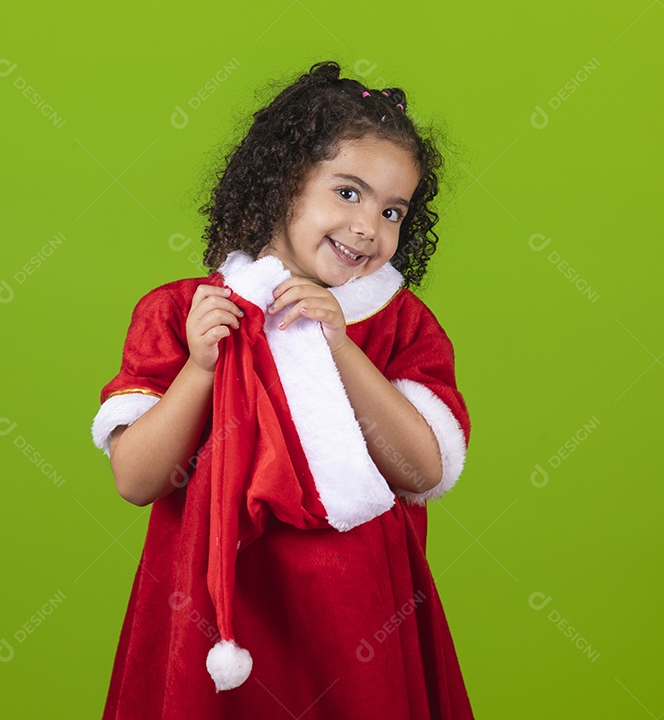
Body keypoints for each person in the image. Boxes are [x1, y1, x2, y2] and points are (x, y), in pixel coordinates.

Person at [90, 60, 473, 719]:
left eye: (391, 211)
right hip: (214, 612)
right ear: (285, 181)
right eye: (348, 193)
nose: (368, 227)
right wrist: (200, 370)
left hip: (362, 620)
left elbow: (424, 468)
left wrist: (341, 348)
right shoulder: (181, 313)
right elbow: (135, 480)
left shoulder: (400, 325)